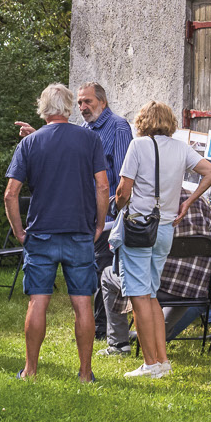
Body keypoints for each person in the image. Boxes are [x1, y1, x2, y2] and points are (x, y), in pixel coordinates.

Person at [4, 83, 108, 383]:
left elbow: (11, 194)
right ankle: (86, 374)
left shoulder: (29, 143)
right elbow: (103, 186)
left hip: (41, 233)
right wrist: (99, 224)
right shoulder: (89, 139)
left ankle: (31, 371)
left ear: (43, 109)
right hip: (79, 232)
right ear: (69, 108)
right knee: (83, 302)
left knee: (38, 301)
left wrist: (19, 230)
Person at [116, 102, 211, 380]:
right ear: (170, 122)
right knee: (151, 293)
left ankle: (151, 364)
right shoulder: (181, 148)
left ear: (143, 121)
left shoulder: (138, 146)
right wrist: (188, 203)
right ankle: (162, 360)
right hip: (165, 228)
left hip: (139, 226)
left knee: (138, 294)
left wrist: (118, 204)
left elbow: (124, 189)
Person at [75, 83, 130, 340]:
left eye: (88, 102)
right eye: (80, 103)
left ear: (102, 102)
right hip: (88, 216)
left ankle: (101, 328)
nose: (83, 107)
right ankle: (100, 326)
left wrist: (111, 212)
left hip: (109, 219)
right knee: (93, 269)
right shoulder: (85, 130)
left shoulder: (118, 128)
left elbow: (123, 178)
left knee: (104, 270)